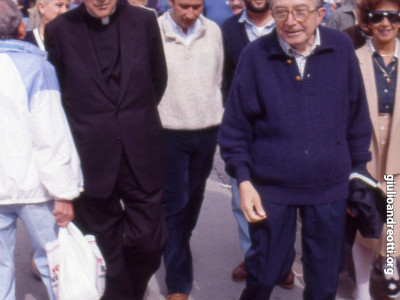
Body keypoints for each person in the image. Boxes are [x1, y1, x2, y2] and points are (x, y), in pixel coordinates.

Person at [219, 0, 373, 297]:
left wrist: (358, 171)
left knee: (323, 284)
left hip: (330, 187)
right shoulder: (256, 54)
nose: (291, 21)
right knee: (263, 274)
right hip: (272, 188)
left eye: (300, 11)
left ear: (320, 14)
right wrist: (243, 179)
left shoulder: (341, 48)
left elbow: (357, 116)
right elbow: (235, 128)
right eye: (280, 12)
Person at [44, 0, 168, 298]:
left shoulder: (145, 20)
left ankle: (130, 291)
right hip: (91, 155)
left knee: (150, 243)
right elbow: (58, 95)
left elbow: (157, 79)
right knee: (104, 249)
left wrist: (131, 120)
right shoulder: (60, 29)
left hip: (140, 150)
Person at [0, 0, 82, 299]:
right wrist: (64, 192)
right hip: (35, 188)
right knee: (56, 267)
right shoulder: (37, 67)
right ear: (22, 29)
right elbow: (52, 134)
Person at [222, 0, 291, 287]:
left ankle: (282, 261)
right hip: (245, 125)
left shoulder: (288, 24)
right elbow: (224, 76)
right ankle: (254, 256)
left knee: (285, 198)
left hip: (285, 126)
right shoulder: (228, 29)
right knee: (243, 197)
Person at [157, 0, 223, 299]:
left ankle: (178, 241)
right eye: (184, 6)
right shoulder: (154, 31)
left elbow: (217, 77)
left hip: (206, 130)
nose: (190, 13)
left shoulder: (214, 32)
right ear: (171, 2)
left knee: (193, 200)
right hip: (169, 130)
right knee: (174, 204)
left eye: (197, 7)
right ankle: (179, 282)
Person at [352, 1, 400, 299]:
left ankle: (391, 269)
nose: (385, 22)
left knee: (393, 217)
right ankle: (362, 289)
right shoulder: (354, 59)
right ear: (366, 20)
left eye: (392, 16)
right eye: (377, 16)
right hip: (365, 149)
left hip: (396, 148)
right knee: (365, 221)